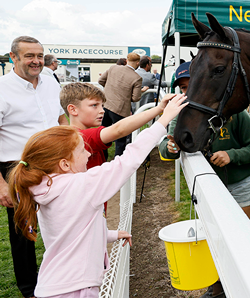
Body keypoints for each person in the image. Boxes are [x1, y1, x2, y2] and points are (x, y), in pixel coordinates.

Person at [7, 94, 187, 298]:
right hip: (77, 290)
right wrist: (163, 121)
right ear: (65, 164)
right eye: (83, 151)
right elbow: (128, 160)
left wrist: (110, 234)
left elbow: (70, 231)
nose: (89, 155)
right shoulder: (82, 185)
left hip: (54, 285)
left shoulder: (44, 188)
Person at [158, 62, 250, 298]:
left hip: (242, 183)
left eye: (192, 86)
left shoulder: (234, 112)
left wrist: (231, 155)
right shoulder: (180, 112)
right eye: (184, 88)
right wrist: (171, 147)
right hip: (208, 188)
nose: (189, 92)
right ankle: (217, 287)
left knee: (238, 239)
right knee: (215, 239)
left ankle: (232, 287)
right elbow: (165, 149)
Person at [0, 35, 68, 298]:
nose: (36, 61)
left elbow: (60, 117)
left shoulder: (50, 80)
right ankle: (30, 289)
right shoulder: (2, 88)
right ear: (13, 57)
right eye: (29, 56)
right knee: (24, 231)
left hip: (54, 162)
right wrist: (2, 185)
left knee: (63, 218)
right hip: (17, 168)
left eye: (39, 55)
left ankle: (63, 275)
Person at [60, 82, 176, 214]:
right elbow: (118, 130)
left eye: (102, 105)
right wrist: (162, 111)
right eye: (94, 105)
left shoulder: (70, 135)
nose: (102, 110)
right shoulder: (79, 137)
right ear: (73, 109)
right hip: (86, 211)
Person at [98, 52, 148, 157]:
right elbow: (136, 98)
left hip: (105, 105)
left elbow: (101, 80)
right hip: (120, 110)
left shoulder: (113, 68)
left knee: (102, 134)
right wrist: (140, 91)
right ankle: (118, 163)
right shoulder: (136, 78)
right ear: (138, 63)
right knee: (120, 139)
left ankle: (102, 159)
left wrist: (110, 90)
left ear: (127, 60)